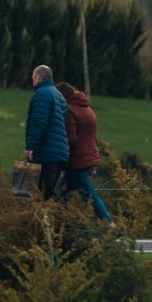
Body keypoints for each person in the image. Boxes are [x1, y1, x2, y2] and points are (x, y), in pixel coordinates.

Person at [55, 81, 116, 229]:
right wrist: (93, 162)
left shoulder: (69, 111)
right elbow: (92, 137)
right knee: (60, 196)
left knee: (89, 194)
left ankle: (110, 225)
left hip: (76, 161)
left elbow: (71, 139)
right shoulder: (87, 108)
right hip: (85, 158)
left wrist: (59, 153)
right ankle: (61, 227)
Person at [24, 64, 69, 200]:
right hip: (60, 152)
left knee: (43, 195)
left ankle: (55, 219)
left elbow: (38, 122)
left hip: (47, 153)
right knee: (48, 193)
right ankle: (51, 218)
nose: (32, 81)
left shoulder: (42, 94)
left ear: (37, 77)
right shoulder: (59, 95)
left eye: (33, 78)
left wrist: (31, 146)